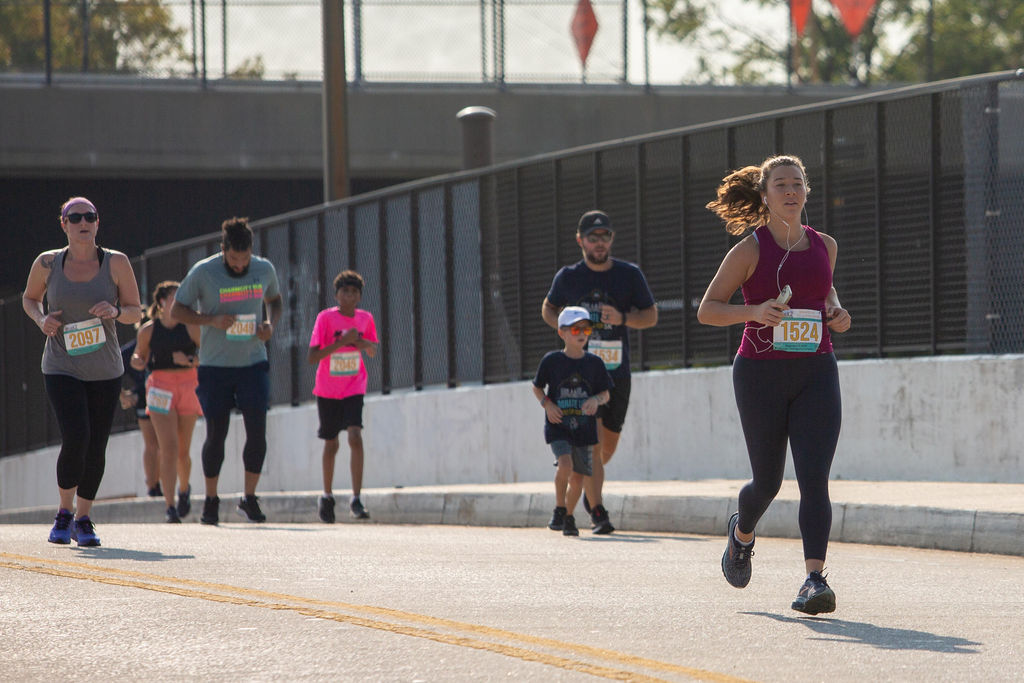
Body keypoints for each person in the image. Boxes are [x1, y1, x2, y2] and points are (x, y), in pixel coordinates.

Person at [697, 154, 852, 615]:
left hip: (817, 372)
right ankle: (741, 534)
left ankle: (814, 579)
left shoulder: (825, 245)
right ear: (765, 196)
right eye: (781, 184)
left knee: (814, 479)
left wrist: (837, 313)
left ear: (807, 191)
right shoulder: (750, 249)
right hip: (760, 374)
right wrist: (753, 311)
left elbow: (826, 293)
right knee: (767, 482)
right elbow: (707, 309)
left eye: (797, 183)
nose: (790, 191)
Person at [22, 196, 142, 547]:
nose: (83, 223)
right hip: (62, 365)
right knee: (76, 435)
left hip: (105, 369)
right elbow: (29, 299)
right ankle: (64, 512)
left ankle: (84, 518)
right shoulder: (47, 263)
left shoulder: (116, 262)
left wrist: (115, 312)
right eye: (75, 218)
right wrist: (41, 319)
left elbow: (136, 310)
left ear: (98, 222)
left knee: (96, 444)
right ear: (64, 224)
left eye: (89, 217)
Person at [542, 210, 657, 534]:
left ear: (611, 239)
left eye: (604, 236)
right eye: (593, 238)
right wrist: (568, 333)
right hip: (581, 373)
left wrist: (622, 318)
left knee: (607, 447)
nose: (599, 243)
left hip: (616, 372)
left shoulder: (628, 275)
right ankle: (597, 511)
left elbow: (650, 316)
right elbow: (548, 308)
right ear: (581, 241)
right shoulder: (568, 277)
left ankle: (582, 478)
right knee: (592, 445)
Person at [170, 217, 282, 525]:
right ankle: (211, 500)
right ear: (223, 250)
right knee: (216, 433)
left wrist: (270, 324)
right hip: (215, 366)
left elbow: (275, 300)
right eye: (234, 259)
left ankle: (249, 498)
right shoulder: (203, 271)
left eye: (245, 259)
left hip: (253, 363)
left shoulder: (264, 269)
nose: (240, 264)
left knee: (257, 430)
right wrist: (210, 320)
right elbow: (177, 310)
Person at [306, 270, 379, 523]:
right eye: (345, 291)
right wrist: (342, 342)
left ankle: (356, 498)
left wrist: (363, 344)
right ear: (336, 295)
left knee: (355, 436)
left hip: (354, 386)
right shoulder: (325, 319)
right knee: (331, 443)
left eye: (354, 292)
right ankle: (327, 497)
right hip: (328, 389)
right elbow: (312, 357)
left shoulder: (365, 318)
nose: (349, 296)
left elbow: (372, 348)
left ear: (360, 296)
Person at [532, 306, 612, 536]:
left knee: (577, 477)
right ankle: (559, 508)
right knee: (565, 465)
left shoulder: (594, 363)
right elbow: (537, 387)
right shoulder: (552, 361)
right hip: (559, 426)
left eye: (586, 329)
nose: (582, 334)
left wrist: (596, 400)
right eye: (576, 329)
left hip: (584, 430)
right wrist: (547, 404)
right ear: (562, 333)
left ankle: (568, 516)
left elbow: (606, 393)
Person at [131, 281, 202, 523]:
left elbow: (207, 355)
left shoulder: (191, 327)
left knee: (183, 451)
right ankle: (170, 505)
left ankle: (184, 489)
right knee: (168, 448)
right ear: (161, 302)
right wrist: (138, 361)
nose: (180, 302)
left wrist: (189, 360)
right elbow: (138, 354)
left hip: (188, 384)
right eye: (174, 298)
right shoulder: (148, 330)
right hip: (160, 386)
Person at [119, 336, 161, 498]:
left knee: (166, 444)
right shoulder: (131, 350)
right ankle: (152, 486)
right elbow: (113, 368)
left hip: (166, 397)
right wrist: (124, 395)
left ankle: (164, 485)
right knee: (152, 443)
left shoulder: (164, 340)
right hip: (144, 399)